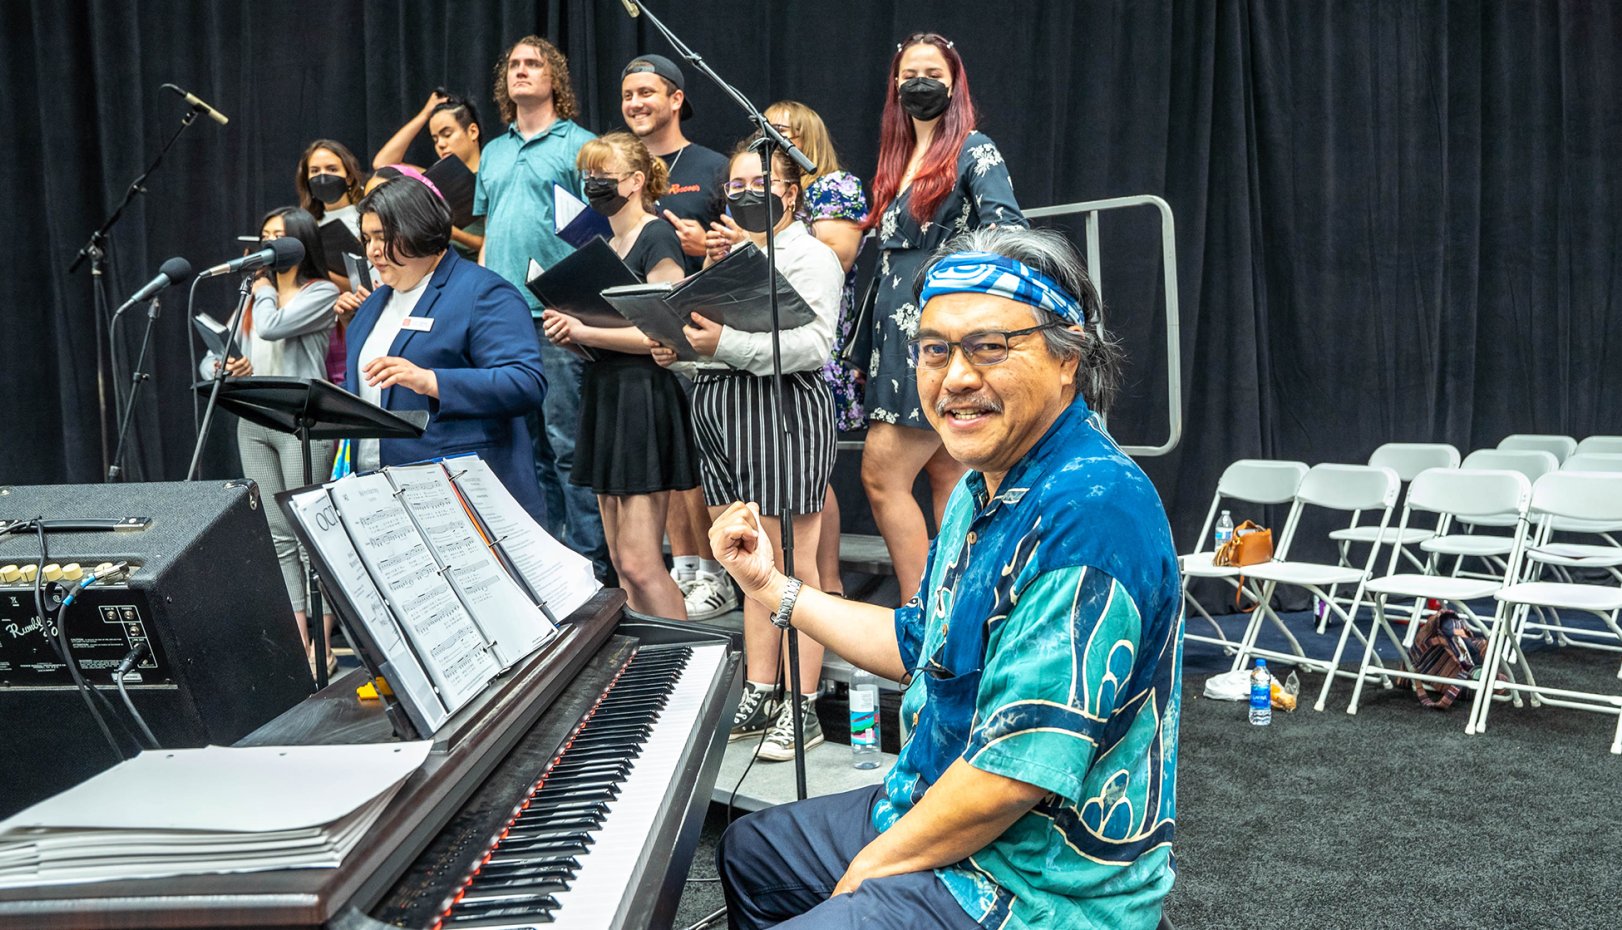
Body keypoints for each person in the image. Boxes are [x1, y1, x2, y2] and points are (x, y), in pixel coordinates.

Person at [709, 226, 1182, 930]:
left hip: (1038, 883)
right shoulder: (981, 485)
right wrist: (770, 586)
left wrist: (869, 870)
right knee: (755, 848)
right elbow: (916, 642)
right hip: (932, 798)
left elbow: (1009, 776)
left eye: (990, 347)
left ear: (1067, 360)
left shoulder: (1091, 511)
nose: (956, 377)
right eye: (934, 350)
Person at [650, 137, 843, 761]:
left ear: (790, 192)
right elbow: (715, 347)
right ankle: (762, 687)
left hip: (782, 412)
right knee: (746, 560)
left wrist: (721, 344)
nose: (744, 195)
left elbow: (811, 348)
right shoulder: (731, 257)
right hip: (723, 414)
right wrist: (678, 351)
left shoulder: (811, 257)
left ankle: (802, 704)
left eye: (759, 184)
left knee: (793, 566)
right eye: (734, 186)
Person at [860, 33, 1025, 608]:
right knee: (949, 483)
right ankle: (960, 609)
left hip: (933, 336)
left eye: (932, 72)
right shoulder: (900, 159)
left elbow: (1008, 230)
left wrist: (956, 289)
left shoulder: (972, 148)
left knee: (883, 478)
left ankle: (919, 610)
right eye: (909, 73)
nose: (919, 82)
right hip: (893, 342)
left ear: (954, 84)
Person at [538, 132, 695, 619]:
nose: (592, 185)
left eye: (602, 177)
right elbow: (607, 328)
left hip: (643, 398)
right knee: (621, 567)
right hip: (606, 392)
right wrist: (574, 333)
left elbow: (663, 336)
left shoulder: (657, 236)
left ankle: (690, 661)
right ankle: (649, 665)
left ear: (634, 181)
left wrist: (587, 329)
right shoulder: (605, 242)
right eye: (588, 177)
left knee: (643, 563)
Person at [473, 35, 606, 575]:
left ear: (556, 79)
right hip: (501, 317)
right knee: (525, 450)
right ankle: (552, 565)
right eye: (514, 65)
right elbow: (486, 235)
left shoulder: (580, 145)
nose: (522, 71)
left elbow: (600, 234)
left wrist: (585, 307)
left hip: (557, 314)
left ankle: (592, 568)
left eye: (534, 64)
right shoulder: (493, 150)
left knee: (567, 445)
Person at [344, 176, 548, 523]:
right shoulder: (371, 306)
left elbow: (525, 382)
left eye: (382, 236)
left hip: (464, 498)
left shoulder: (482, 292)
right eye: (367, 239)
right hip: (380, 495)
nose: (372, 251)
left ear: (418, 228)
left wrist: (432, 381)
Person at [620, 52, 734, 618]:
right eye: (628, 95)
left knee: (696, 463)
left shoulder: (713, 166)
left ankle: (715, 571)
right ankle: (683, 568)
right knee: (663, 462)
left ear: (676, 99)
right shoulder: (619, 168)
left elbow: (743, 246)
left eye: (647, 93)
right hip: (634, 339)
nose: (636, 104)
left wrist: (701, 249)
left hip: (699, 337)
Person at [213, 206, 340, 674]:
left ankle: (324, 643)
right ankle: (297, 642)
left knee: (310, 534)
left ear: (299, 243)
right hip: (254, 420)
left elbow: (272, 327)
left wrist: (262, 289)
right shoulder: (254, 297)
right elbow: (224, 349)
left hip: (300, 423)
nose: (266, 246)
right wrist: (225, 366)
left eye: (277, 238)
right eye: (262, 237)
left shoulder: (320, 292)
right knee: (277, 536)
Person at [764, 100, 869, 602]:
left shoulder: (834, 187)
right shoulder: (762, 195)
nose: (770, 138)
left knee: (812, 477)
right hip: (769, 344)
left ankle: (828, 589)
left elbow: (838, 253)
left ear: (807, 137)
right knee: (791, 477)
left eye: (780, 131)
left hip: (816, 342)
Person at [371, 90, 487, 260]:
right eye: (435, 139)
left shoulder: (492, 174)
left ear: (473, 131)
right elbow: (383, 164)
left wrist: (454, 234)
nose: (441, 144)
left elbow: (491, 242)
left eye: (447, 134)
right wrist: (425, 114)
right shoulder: (435, 179)